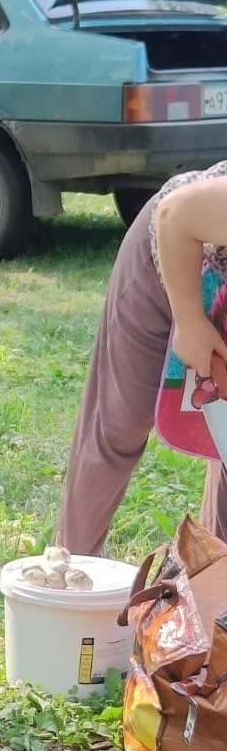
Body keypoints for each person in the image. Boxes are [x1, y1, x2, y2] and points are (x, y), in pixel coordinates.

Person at [54, 160, 227, 556]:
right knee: (119, 425)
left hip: (220, 286)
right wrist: (189, 321)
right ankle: (66, 576)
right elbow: (176, 215)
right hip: (167, 250)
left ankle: (217, 595)